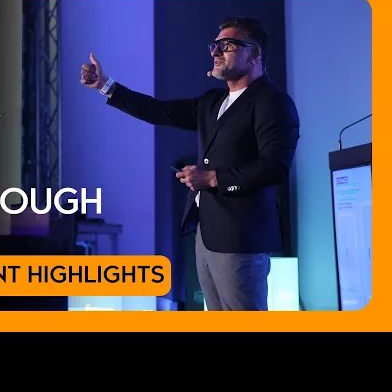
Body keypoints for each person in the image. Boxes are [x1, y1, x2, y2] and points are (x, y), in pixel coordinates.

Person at [79, 16, 300, 311]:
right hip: (206, 236)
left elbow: (274, 166)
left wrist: (212, 178)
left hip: (241, 238)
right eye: (214, 45)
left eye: (227, 45)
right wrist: (105, 85)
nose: (215, 51)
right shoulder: (212, 102)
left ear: (254, 53)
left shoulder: (273, 102)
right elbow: (159, 111)